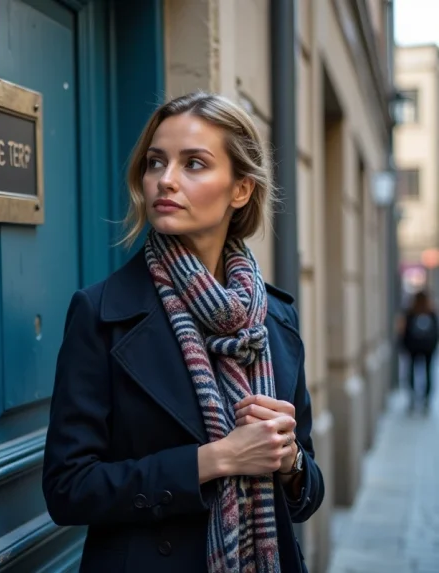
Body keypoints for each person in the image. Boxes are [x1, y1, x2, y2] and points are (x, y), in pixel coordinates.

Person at [42, 92, 324, 573]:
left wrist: (290, 460)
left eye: (194, 163)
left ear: (240, 190)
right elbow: (68, 489)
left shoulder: (274, 318)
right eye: (156, 162)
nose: (165, 181)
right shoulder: (101, 313)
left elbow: (305, 494)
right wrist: (213, 460)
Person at [399, 290, 438, 413]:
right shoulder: (431, 312)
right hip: (427, 348)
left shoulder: (410, 312)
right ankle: (425, 400)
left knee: (411, 372)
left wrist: (403, 346)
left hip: (413, 348)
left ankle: (412, 399)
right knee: (427, 372)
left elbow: (403, 331)